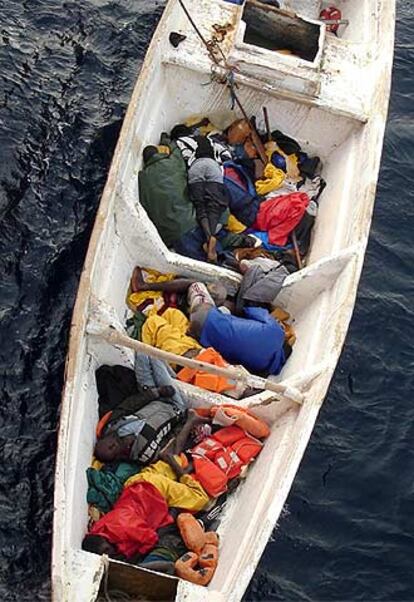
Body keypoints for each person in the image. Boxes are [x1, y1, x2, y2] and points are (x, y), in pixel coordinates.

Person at [94, 353, 192, 465]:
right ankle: (174, 378)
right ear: (116, 457)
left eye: (108, 445)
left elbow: (130, 405)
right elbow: (171, 440)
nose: (112, 445)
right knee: (154, 357)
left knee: (142, 351)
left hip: (155, 395)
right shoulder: (144, 453)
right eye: (111, 450)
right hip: (175, 406)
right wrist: (183, 418)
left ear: (103, 438)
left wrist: (155, 393)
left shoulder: (112, 424)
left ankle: (171, 377)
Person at [189, 303, 288, 376]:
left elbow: (255, 311)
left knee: (199, 289)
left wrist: (243, 310)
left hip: (208, 315)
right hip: (202, 339)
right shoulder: (260, 367)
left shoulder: (276, 331)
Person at [138, 133, 197, 247]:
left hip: (170, 237)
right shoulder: (172, 163)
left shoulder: (142, 180)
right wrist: (165, 140)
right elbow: (177, 150)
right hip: (191, 222)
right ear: (158, 153)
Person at [186, 136, 230, 262]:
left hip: (195, 168)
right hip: (212, 167)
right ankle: (211, 237)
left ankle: (209, 237)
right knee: (214, 206)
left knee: (200, 207)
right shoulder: (214, 148)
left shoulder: (194, 150)